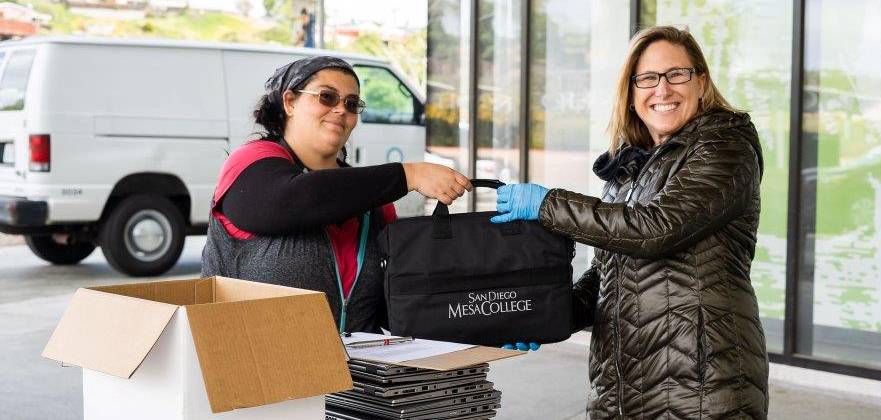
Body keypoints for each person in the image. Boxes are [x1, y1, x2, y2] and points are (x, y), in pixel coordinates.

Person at [491, 26, 768, 419]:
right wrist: (545, 317)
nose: (663, 89)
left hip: (700, 388)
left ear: (701, 82)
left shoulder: (725, 146)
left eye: (677, 74)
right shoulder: (630, 169)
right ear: (632, 92)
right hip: (622, 388)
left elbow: (656, 227)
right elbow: (604, 278)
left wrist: (549, 205)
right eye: (648, 78)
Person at [201, 56, 472, 334]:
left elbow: (395, 305)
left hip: (356, 375)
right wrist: (408, 175)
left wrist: (486, 319)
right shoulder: (250, 163)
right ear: (290, 102)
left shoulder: (372, 200)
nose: (341, 110)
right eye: (327, 97)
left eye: (351, 104)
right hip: (252, 369)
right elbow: (292, 201)